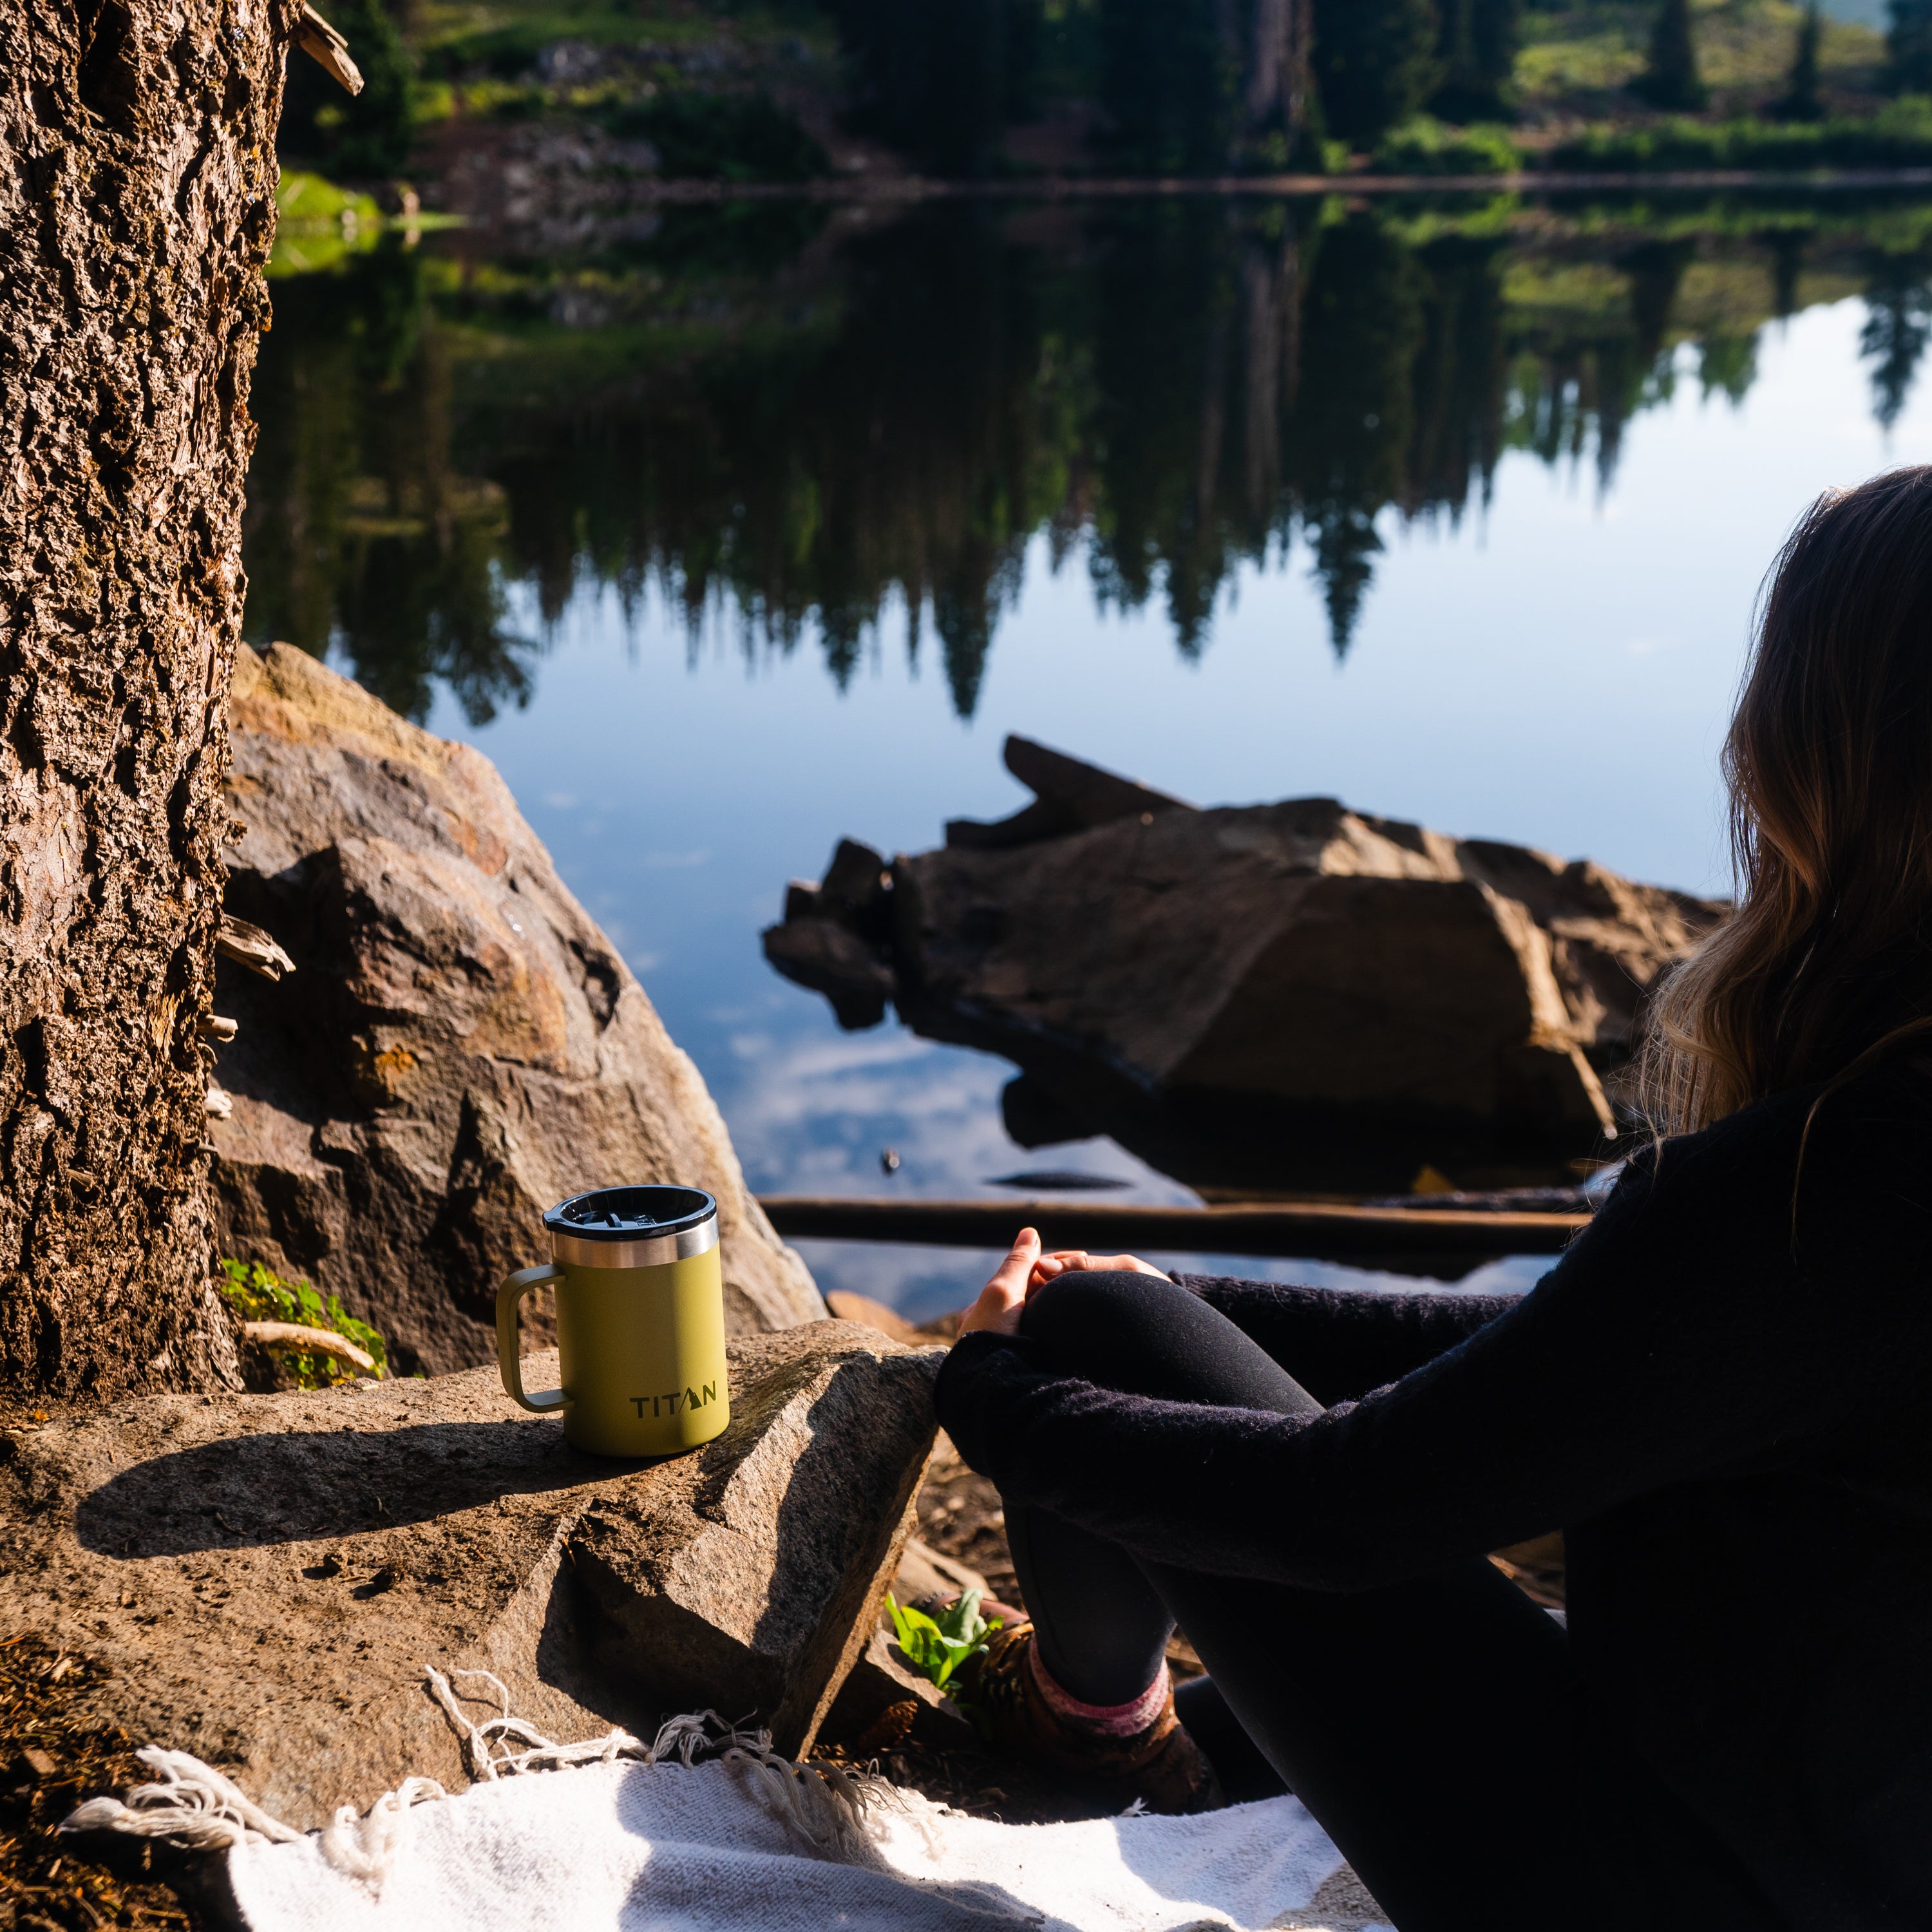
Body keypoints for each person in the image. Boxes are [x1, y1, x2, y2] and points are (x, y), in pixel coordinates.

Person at [934, 468, 1932, 1932]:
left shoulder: (1813, 1187)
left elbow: (1355, 1514)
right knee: (1142, 1329)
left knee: (1085, 1335)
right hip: (1842, 1839)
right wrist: (1199, 1301)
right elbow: (1588, 1362)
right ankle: (1136, 1719)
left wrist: (995, 1392)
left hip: (1688, 1890)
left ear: (1810, 758)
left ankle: (1084, 1729)